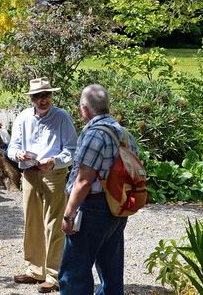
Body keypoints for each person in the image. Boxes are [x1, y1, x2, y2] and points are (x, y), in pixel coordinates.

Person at [59, 84, 139, 295]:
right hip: (117, 205)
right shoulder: (124, 134)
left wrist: (68, 215)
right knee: (111, 271)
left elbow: (84, 181)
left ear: (85, 108)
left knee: (74, 273)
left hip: (93, 207)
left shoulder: (95, 135)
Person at [8, 77, 77, 293]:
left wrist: (55, 161)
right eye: (38, 96)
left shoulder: (62, 117)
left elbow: (72, 150)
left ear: (52, 96)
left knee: (54, 224)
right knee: (32, 222)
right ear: (31, 98)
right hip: (29, 174)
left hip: (54, 175)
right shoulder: (23, 117)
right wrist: (17, 153)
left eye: (46, 95)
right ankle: (35, 270)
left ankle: (54, 275)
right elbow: (12, 147)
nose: (42, 100)